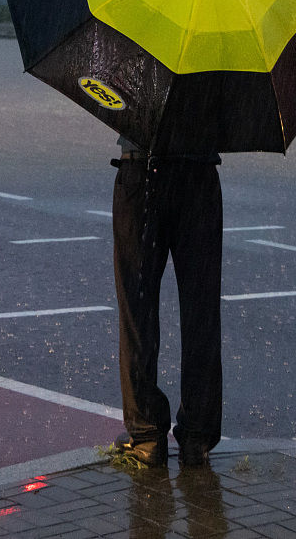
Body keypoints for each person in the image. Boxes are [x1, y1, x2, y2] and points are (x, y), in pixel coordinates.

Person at [110, 134, 222, 468]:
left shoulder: (135, 77)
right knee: (201, 311)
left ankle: (146, 437)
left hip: (142, 169)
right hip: (198, 171)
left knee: (137, 310)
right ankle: (197, 436)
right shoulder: (213, 77)